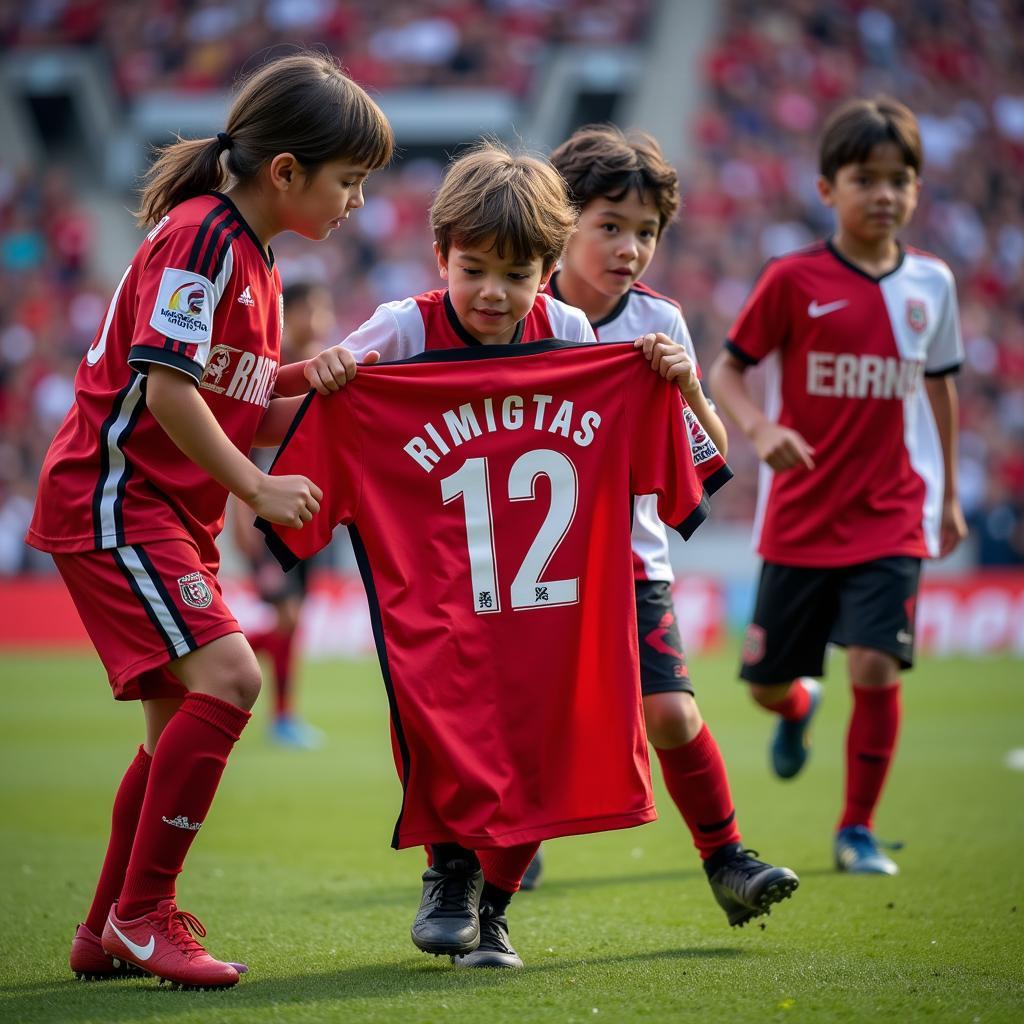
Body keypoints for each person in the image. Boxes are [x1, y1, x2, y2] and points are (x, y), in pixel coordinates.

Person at [276, 142, 729, 969]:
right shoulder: (404, 327)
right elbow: (300, 419)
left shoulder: (570, 330)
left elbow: (697, 462)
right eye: (474, 268)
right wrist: (321, 373)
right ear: (440, 254)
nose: (494, 292)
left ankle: (496, 906)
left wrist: (681, 386)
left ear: (547, 270)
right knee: (437, 721)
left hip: (551, 593)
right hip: (441, 585)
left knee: (544, 742)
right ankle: (448, 869)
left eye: (517, 275)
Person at [25, 53, 393, 989]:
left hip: (159, 512)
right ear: (286, 172)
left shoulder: (255, 258)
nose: (356, 202)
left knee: (170, 735)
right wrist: (258, 490)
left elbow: (239, 398)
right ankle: (146, 913)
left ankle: (105, 927)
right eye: (349, 181)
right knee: (232, 678)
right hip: (117, 499)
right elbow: (169, 388)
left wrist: (316, 379)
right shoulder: (203, 237)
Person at [523, 124, 798, 923]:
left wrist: (686, 389)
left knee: (671, 711)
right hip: (524, 567)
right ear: (562, 221)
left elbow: (706, 455)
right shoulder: (512, 306)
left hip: (630, 561)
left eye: (646, 232)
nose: (630, 248)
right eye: (610, 225)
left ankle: (727, 860)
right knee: (521, 716)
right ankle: (492, 853)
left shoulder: (660, 322)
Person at [709, 96, 967, 875]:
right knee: (768, 686)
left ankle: (855, 828)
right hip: (801, 518)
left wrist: (948, 493)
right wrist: (759, 431)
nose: (884, 193)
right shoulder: (794, 279)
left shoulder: (933, 285)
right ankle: (798, 708)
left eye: (900, 179)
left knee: (874, 666)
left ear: (917, 189)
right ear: (829, 189)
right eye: (865, 178)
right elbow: (727, 369)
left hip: (892, 512)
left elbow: (943, 388)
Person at [232, 282, 339, 749]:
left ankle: (216, 665)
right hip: (264, 514)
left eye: (323, 306)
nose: (318, 316)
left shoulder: (327, 369)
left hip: (307, 513)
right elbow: (246, 446)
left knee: (292, 620)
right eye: (310, 307)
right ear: (289, 314)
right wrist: (242, 515)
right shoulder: (271, 368)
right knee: (288, 617)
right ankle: (279, 715)